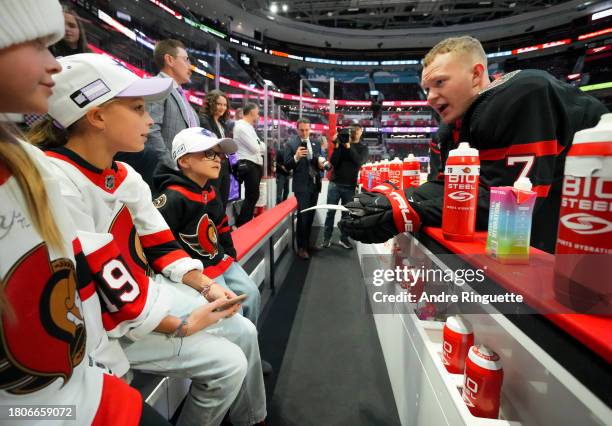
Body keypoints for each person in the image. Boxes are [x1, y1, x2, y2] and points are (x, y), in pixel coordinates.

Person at [30, 53, 266, 426]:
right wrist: (182, 326)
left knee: (243, 328)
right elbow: (104, 292)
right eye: (138, 108)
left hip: (142, 298)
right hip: (104, 328)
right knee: (230, 363)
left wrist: (205, 287)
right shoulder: (58, 182)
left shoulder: (124, 173)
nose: (150, 119)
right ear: (96, 116)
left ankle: (251, 417)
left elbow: (160, 244)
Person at [0, 1, 168, 424]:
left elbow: (75, 294)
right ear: (93, 115)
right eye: (38, 45)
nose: (54, 65)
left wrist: (103, 366)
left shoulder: (30, 164)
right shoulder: (50, 170)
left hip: (81, 386)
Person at [339, 36, 608, 254]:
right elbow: (448, 186)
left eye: (440, 82)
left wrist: (409, 211)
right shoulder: (452, 125)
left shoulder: (524, 95)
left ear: (477, 75)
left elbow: (514, 204)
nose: (431, 97)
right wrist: (394, 198)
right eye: (426, 89)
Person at [153, 127, 261, 325]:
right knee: (232, 317)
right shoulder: (172, 198)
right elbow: (158, 245)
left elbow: (221, 227)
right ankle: (234, 350)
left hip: (220, 260)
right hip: (196, 272)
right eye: (209, 154)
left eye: (219, 154)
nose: (218, 159)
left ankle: (247, 347)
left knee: (252, 295)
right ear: (184, 161)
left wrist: (231, 256)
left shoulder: (210, 191)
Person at [117, 39, 199, 186]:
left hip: (184, 174)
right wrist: (173, 167)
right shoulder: (156, 87)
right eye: (186, 60)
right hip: (167, 175)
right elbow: (152, 131)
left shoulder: (180, 95)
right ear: (169, 60)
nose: (190, 66)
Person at [322, 124, 368, 249]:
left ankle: (344, 239)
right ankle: (326, 238)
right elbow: (334, 162)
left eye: (358, 130)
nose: (355, 132)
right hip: (335, 184)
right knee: (330, 213)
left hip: (350, 186)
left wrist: (348, 147)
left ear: (361, 132)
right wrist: (337, 146)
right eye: (353, 130)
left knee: (347, 215)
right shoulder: (341, 144)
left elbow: (359, 161)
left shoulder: (363, 148)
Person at [284, 118, 324, 260]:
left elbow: (319, 160)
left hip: (314, 184)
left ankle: (307, 244)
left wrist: (320, 163)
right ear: (297, 129)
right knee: (303, 217)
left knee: (310, 216)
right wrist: (295, 157)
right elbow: (287, 165)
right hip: (301, 186)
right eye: (302, 130)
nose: (305, 132)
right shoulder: (291, 143)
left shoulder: (316, 143)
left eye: (307, 129)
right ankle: (301, 247)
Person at [199, 89, 232, 209]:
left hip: (224, 165)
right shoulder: (203, 120)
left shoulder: (223, 123)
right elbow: (211, 144)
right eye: (218, 104)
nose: (222, 107)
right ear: (211, 104)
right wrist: (226, 147)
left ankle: (221, 227)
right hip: (210, 165)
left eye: (224, 105)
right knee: (214, 202)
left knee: (223, 200)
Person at [234, 102, 265, 227]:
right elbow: (255, 148)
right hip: (248, 164)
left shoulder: (249, 127)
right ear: (252, 112)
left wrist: (260, 145)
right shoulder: (241, 126)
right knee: (252, 195)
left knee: (253, 195)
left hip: (254, 164)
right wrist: (260, 146)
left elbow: (261, 146)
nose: (258, 116)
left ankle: (245, 221)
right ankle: (241, 224)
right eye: (257, 113)